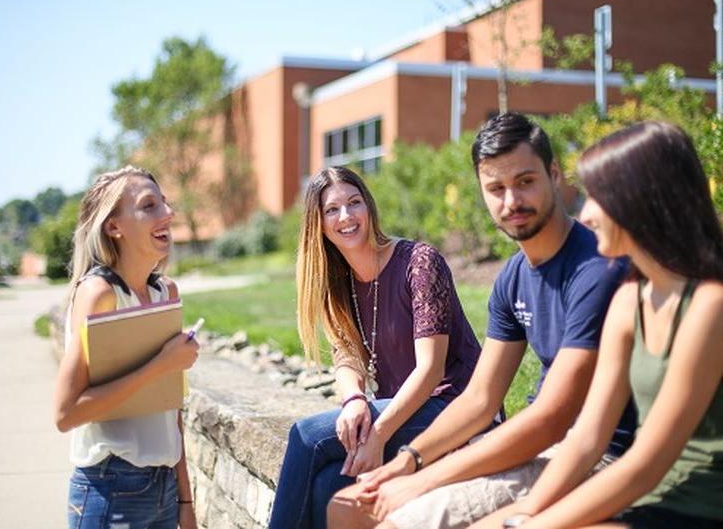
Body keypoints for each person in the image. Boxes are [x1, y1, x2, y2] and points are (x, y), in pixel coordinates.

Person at [327, 112, 636, 529]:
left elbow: (551, 417)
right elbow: (480, 398)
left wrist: (421, 479)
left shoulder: (596, 270)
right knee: (347, 507)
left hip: (594, 456)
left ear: (554, 175)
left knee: (400, 522)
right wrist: (408, 461)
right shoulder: (512, 277)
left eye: (525, 182)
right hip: (539, 447)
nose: (512, 202)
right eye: (496, 188)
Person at [470, 121, 723, 529]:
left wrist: (531, 526)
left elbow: (645, 464)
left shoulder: (709, 306)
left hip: (698, 509)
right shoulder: (628, 300)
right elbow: (587, 437)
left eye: (599, 197)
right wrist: (524, 514)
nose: (586, 213)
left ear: (643, 201)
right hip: (648, 499)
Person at [268, 166, 484, 529]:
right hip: (405, 413)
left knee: (307, 437)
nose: (346, 217)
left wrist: (378, 434)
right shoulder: (338, 281)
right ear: (317, 224)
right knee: (327, 485)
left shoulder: (419, 263)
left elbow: (431, 370)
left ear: (369, 207)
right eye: (332, 210)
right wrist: (354, 399)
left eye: (354, 203)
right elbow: (346, 353)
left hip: (455, 409)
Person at [53, 166, 200, 529]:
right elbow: (65, 413)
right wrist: (162, 365)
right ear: (114, 226)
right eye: (149, 205)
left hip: (164, 489)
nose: (167, 213)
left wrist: (185, 499)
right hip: (110, 488)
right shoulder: (99, 294)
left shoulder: (165, 293)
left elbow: (170, 409)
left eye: (164, 203)